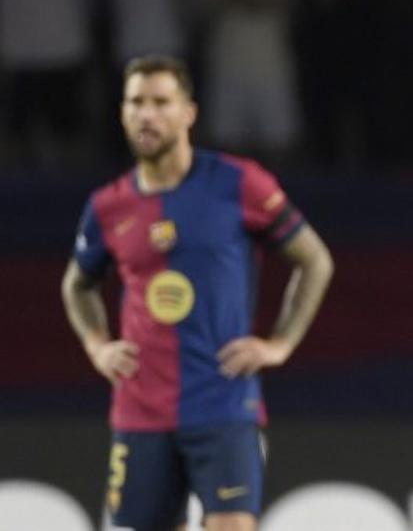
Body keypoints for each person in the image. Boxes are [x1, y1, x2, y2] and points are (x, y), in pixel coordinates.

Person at [60, 55, 334, 531]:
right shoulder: (108, 206)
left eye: (160, 102)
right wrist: (97, 346)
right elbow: (77, 284)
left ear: (188, 113)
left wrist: (280, 343)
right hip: (141, 409)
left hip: (223, 402)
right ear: (122, 112)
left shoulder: (239, 183)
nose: (147, 114)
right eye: (136, 102)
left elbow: (314, 260)